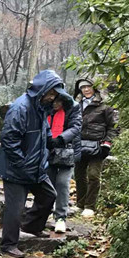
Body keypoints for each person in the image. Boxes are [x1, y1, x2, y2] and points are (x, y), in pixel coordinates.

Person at [0, 70, 74, 258]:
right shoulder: (20, 108)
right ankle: (8, 245)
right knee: (15, 209)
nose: (53, 97)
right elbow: (9, 140)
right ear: (42, 89)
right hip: (16, 169)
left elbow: (44, 130)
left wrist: (51, 143)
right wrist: (21, 164)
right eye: (51, 93)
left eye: (55, 94)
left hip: (36, 167)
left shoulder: (41, 107)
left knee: (49, 195)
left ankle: (32, 226)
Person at [73, 78, 119, 217]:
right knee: (79, 175)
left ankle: (90, 206)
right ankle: (80, 204)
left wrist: (107, 144)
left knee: (93, 175)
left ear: (95, 88)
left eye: (88, 86)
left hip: (97, 145)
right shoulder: (76, 104)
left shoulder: (105, 105)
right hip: (79, 144)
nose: (86, 89)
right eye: (83, 87)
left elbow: (114, 126)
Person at [46, 95, 82, 233]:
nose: (55, 104)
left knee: (62, 183)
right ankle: (44, 214)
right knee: (48, 183)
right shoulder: (45, 107)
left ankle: (60, 217)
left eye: (58, 101)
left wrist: (61, 138)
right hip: (49, 150)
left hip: (67, 151)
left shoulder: (73, 107)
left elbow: (76, 127)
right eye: (53, 101)